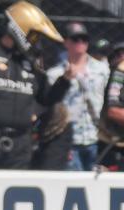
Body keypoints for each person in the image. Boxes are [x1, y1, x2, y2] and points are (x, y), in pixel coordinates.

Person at [0, 1, 71, 169]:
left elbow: (46, 99)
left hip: (21, 144)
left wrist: (65, 80)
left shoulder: (32, 63)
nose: (36, 41)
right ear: (20, 28)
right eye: (34, 35)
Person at [46, 22, 108, 171]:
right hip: (69, 142)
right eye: (75, 39)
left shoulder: (102, 70)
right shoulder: (54, 74)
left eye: (84, 39)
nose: (80, 43)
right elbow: (49, 102)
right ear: (66, 42)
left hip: (95, 138)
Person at [98, 42, 124, 169]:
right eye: (119, 54)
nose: (122, 57)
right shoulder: (117, 74)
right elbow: (113, 111)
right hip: (111, 143)